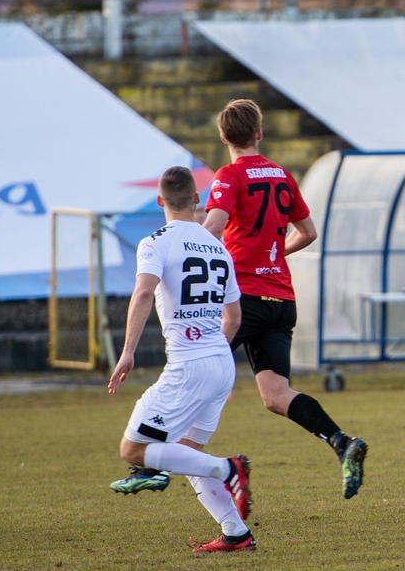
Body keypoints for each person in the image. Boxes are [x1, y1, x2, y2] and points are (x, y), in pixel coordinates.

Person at [204, 98, 367, 499]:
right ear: (259, 132)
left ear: (223, 136)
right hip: (280, 297)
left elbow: (211, 230)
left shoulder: (229, 175)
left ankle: (147, 459)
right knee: (276, 395)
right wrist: (273, 254)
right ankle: (340, 441)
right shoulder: (281, 175)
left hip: (242, 299)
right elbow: (307, 232)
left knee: (194, 368)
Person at [108, 166, 256, 552]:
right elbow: (235, 318)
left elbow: (142, 294)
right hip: (221, 362)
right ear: (197, 201)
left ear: (160, 201)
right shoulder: (218, 246)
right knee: (187, 453)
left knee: (133, 450)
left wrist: (127, 352)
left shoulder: (155, 242)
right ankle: (236, 533)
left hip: (189, 365)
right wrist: (213, 357)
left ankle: (228, 469)